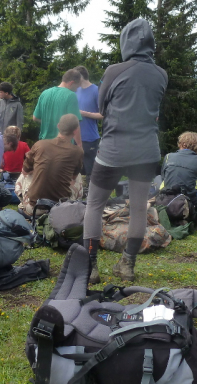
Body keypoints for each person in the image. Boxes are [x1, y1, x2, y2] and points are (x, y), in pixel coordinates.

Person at [82, 18, 168, 284]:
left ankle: (90, 268)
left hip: (113, 149)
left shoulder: (114, 70)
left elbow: (102, 105)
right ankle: (127, 265)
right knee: (140, 208)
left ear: (125, 42)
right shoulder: (161, 74)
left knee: (94, 204)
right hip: (146, 150)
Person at [16, 114, 84, 216]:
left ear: (58, 126)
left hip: (34, 208)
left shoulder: (40, 144)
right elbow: (73, 177)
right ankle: (73, 205)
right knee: (78, 176)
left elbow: (25, 171)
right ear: (75, 131)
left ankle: (24, 203)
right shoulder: (78, 152)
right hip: (61, 209)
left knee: (24, 174)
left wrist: (39, 168)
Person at [161, 131, 197, 217]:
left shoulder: (168, 156)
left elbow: (163, 177)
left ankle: (159, 199)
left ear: (181, 143)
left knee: (158, 177)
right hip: (188, 200)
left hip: (167, 196)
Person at [33, 69, 83, 146]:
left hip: (44, 144)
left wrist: (50, 123)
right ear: (71, 83)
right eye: (77, 87)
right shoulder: (71, 95)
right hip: (62, 145)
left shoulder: (45, 93)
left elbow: (35, 118)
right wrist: (79, 145)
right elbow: (75, 124)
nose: (76, 90)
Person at [74, 65, 102, 189]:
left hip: (90, 137)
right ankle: (77, 191)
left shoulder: (96, 90)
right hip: (75, 136)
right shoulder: (76, 91)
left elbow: (103, 114)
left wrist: (84, 113)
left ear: (81, 77)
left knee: (91, 169)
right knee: (75, 168)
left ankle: (92, 193)